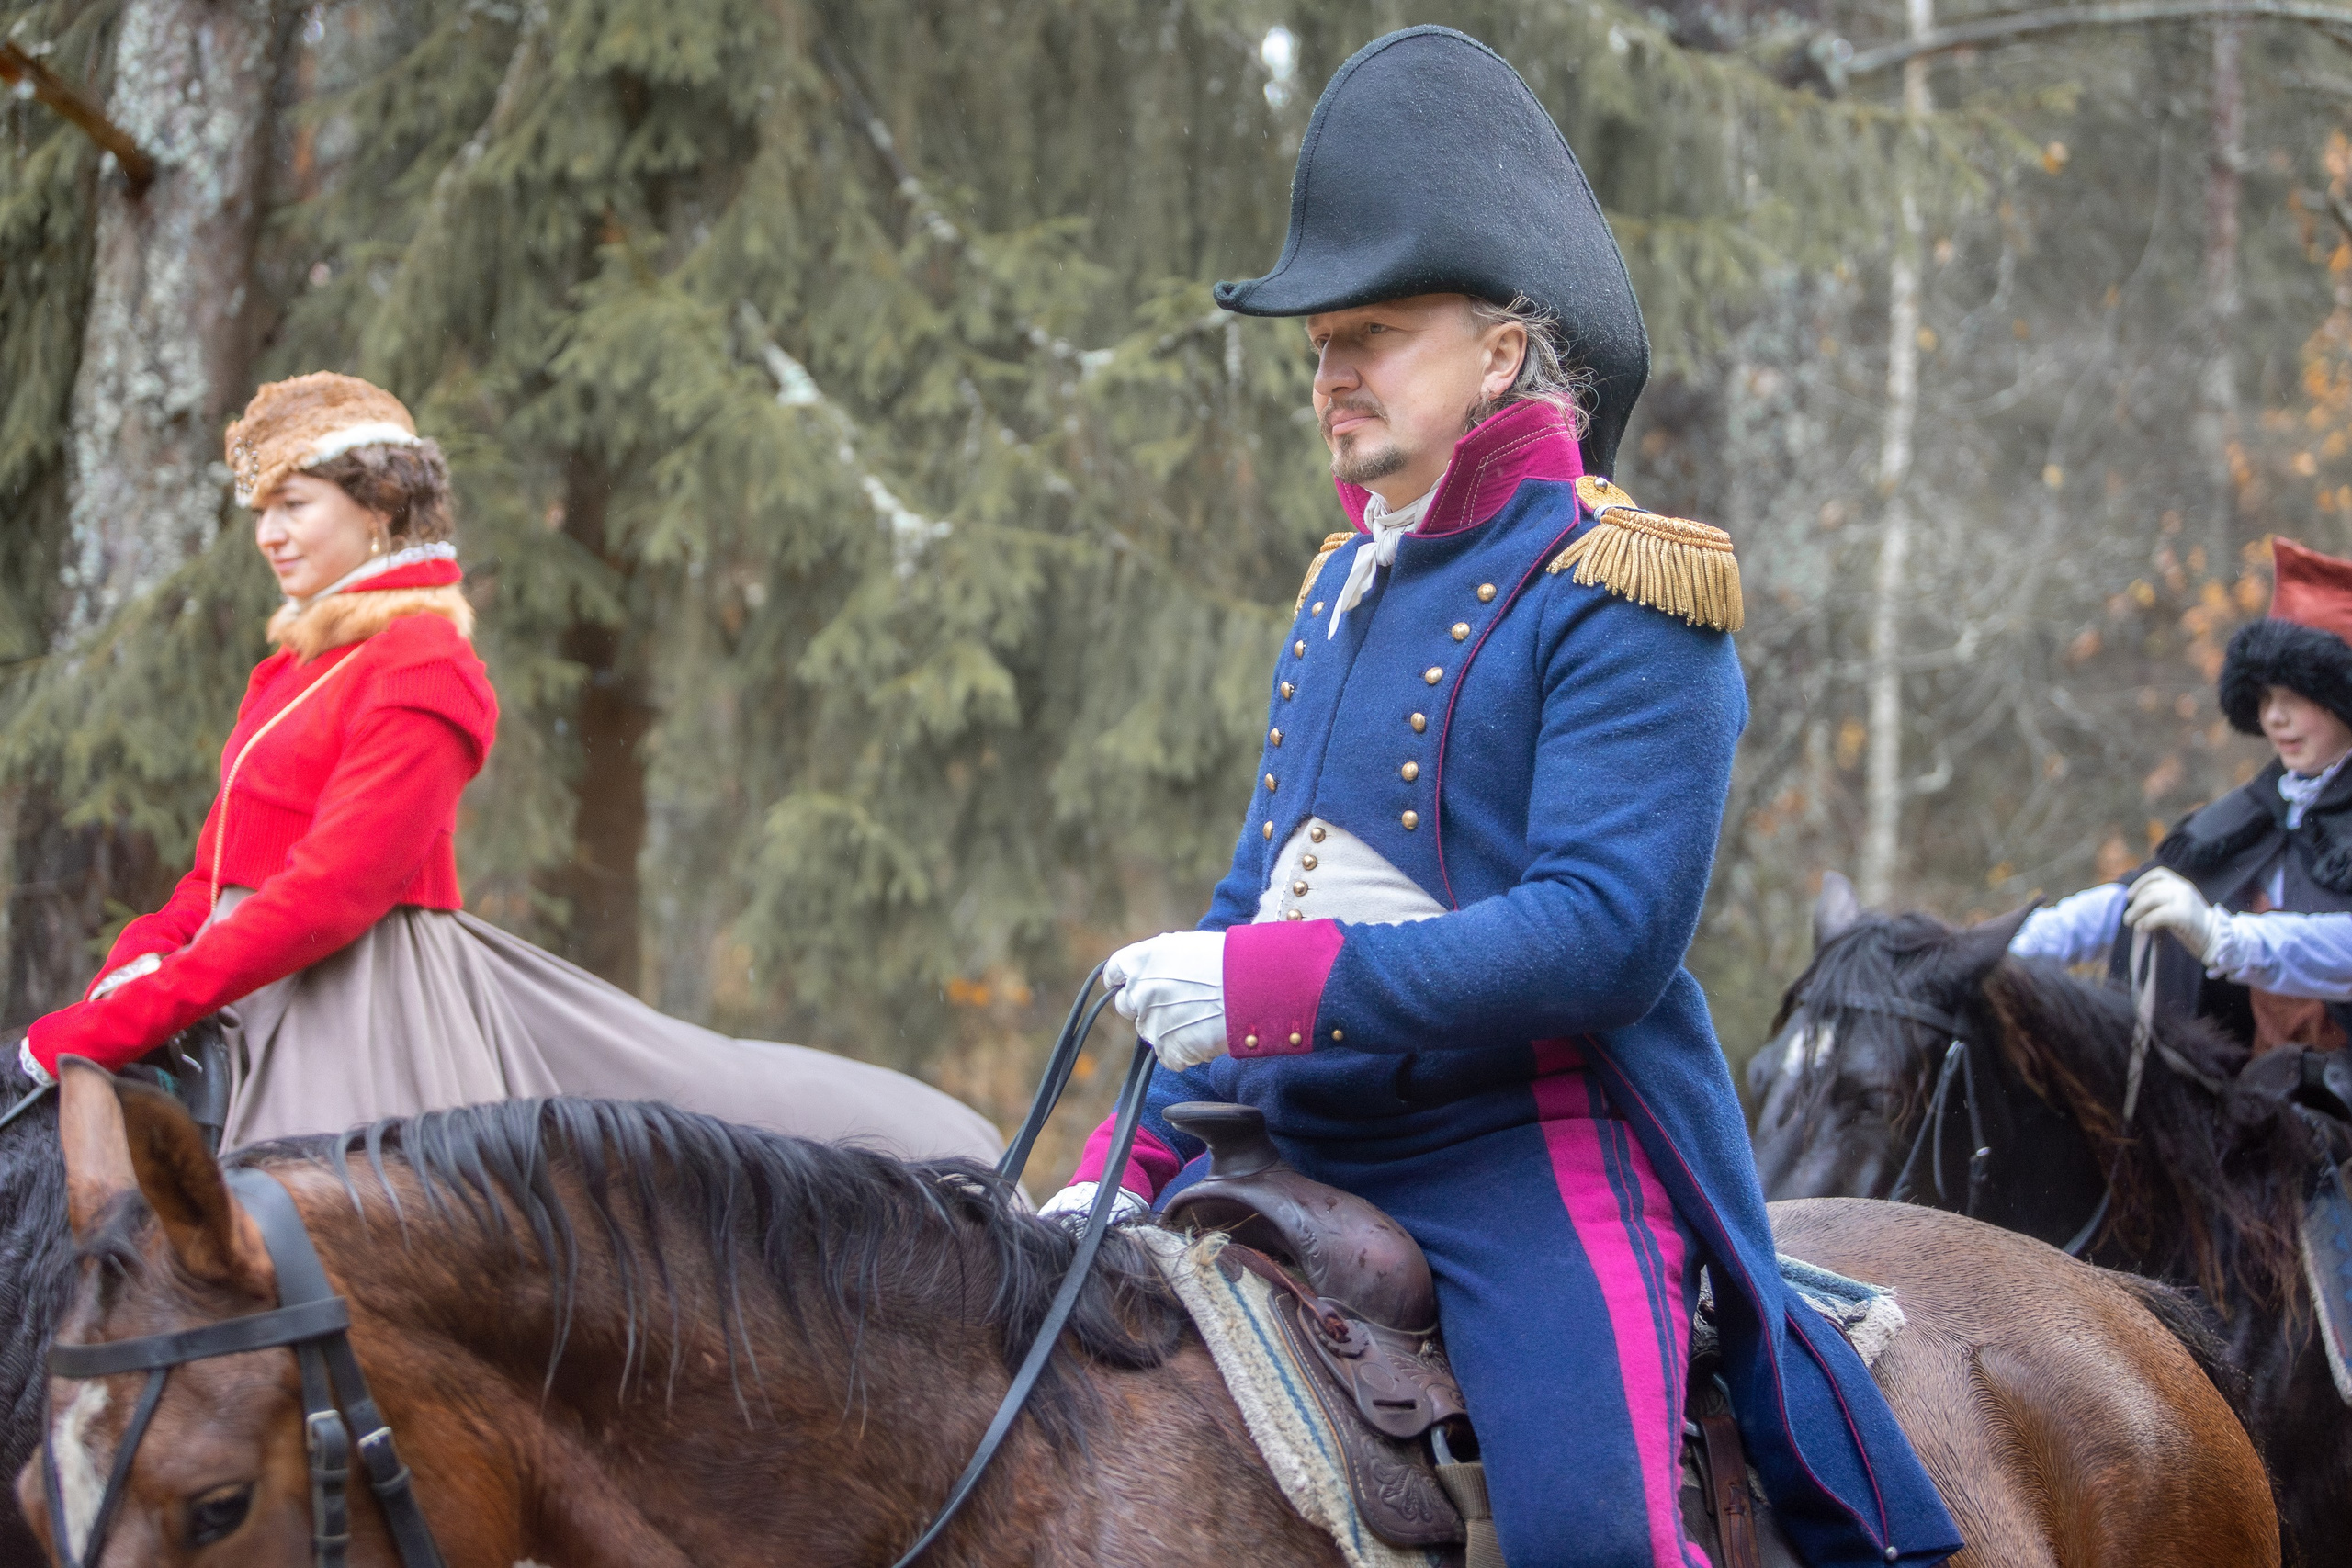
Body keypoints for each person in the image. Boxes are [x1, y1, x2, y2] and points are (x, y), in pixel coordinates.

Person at [1040, 29, 1959, 1568]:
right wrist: (1114, 1161)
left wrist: (1266, 981)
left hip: (1524, 1148)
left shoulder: (1628, 585)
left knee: (1588, 1540)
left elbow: (1605, 935)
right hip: (1283, 1136)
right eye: (1320, 344)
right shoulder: (1341, 580)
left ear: (1504, 350)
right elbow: (1256, 897)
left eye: (1373, 333)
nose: (1329, 376)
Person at [19, 372, 999, 1162]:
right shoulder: (289, 668)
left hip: (356, 1010)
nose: (269, 534)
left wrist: (132, 1017)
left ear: (379, 511)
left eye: (294, 504)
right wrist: (126, 976)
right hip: (237, 992)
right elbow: (217, 875)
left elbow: (333, 894)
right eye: (259, 510)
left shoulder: (424, 665)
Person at [2011, 536, 2352, 1053]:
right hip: (2272, 1109)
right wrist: (2002, 950)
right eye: (2263, 698)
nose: (2273, 718)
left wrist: (2222, 938)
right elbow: (2135, 902)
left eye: (2294, 698)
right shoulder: (2260, 812)